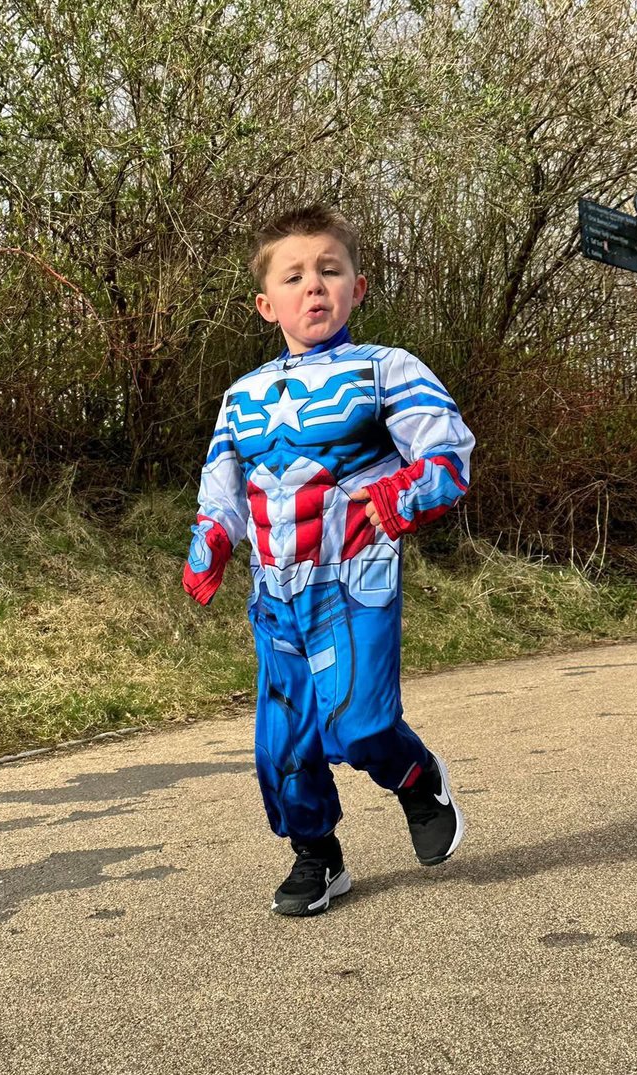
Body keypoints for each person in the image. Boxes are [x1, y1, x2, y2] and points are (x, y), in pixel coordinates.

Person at [182, 204, 475, 916]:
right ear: (266, 302)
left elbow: (448, 449)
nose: (314, 287)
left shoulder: (386, 370)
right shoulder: (240, 396)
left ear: (358, 288)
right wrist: (210, 541)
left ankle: (416, 781)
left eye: (330, 271)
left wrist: (402, 496)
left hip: (355, 581)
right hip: (276, 592)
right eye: (294, 276)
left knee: (360, 724)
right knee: (282, 745)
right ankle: (317, 855)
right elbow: (222, 481)